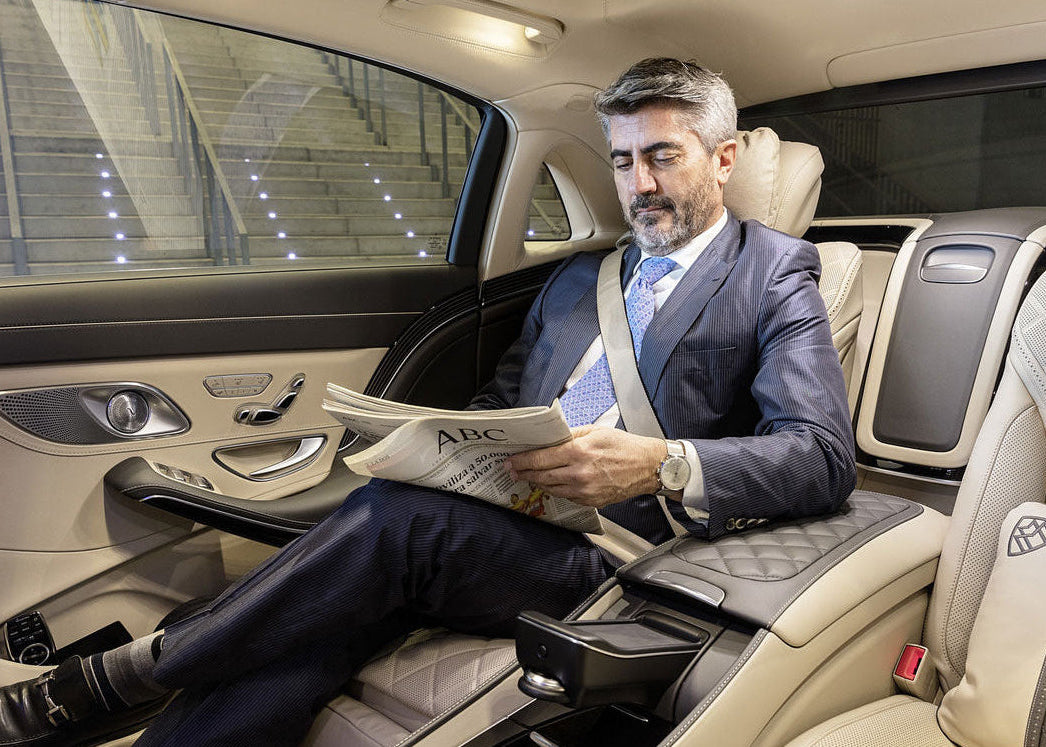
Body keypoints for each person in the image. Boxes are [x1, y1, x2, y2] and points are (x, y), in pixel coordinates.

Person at [0, 57, 855, 746]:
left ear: (724, 158)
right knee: (310, 627)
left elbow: (821, 454)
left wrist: (660, 463)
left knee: (396, 523)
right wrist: (442, 448)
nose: (640, 184)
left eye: (663, 156)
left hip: (620, 550)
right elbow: (499, 400)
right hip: (509, 518)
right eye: (624, 160)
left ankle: (123, 676)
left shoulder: (774, 272)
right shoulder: (578, 281)